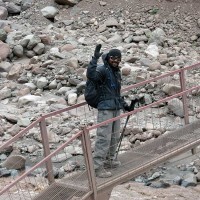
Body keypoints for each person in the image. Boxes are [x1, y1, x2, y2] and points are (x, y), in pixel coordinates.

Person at [86, 44, 130, 178]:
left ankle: (110, 160)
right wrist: (94, 58)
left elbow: (116, 92)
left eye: (118, 58)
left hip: (115, 107)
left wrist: (125, 105)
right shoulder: (103, 70)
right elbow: (91, 75)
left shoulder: (116, 72)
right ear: (108, 58)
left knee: (114, 136)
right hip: (105, 108)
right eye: (113, 58)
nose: (115, 60)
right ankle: (97, 168)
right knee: (104, 138)